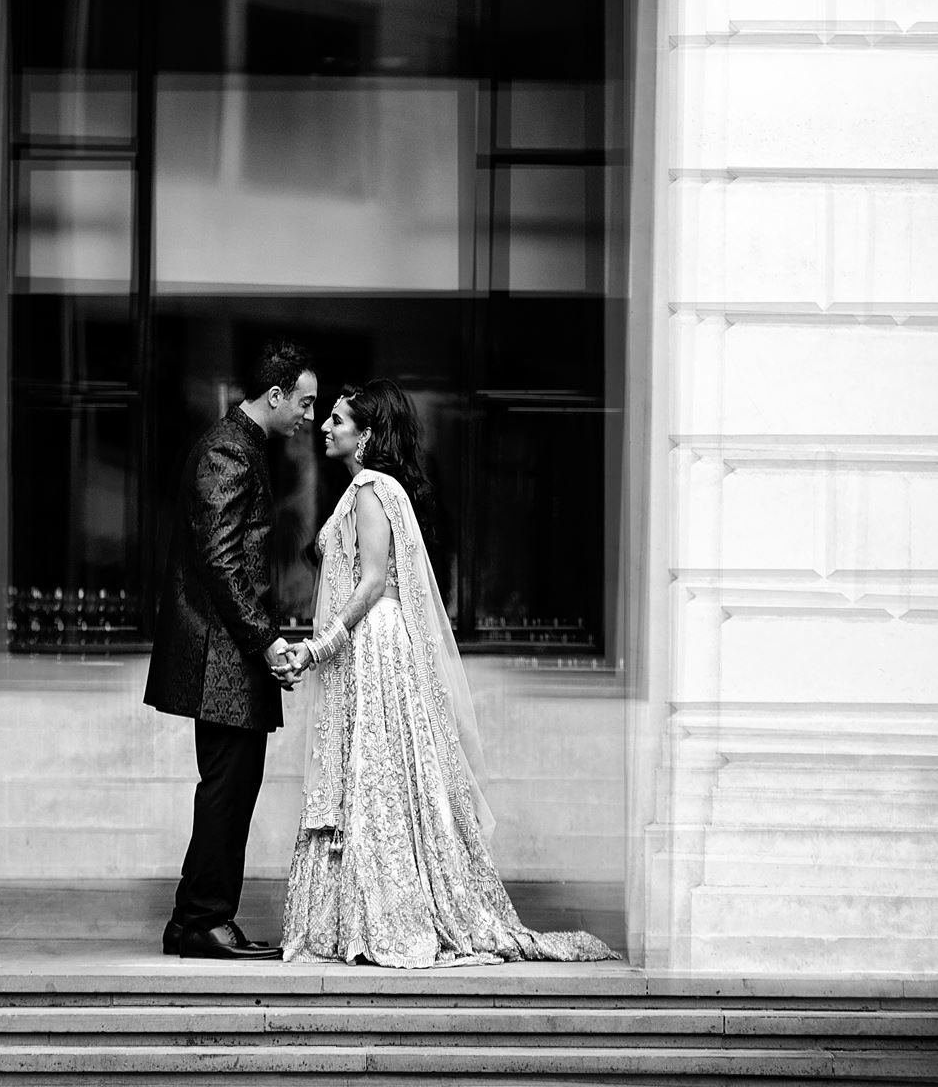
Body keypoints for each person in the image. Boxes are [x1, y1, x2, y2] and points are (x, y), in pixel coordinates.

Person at [281, 379, 620, 968]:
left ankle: (387, 914)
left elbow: (373, 582)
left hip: (374, 641)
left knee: (373, 775)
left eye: (337, 419)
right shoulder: (380, 488)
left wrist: (317, 648)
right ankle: (375, 909)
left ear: (366, 436)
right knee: (382, 777)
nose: (325, 426)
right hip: (380, 642)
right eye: (327, 417)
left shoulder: (367, 487)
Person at [144, 339, 318, 959]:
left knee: (228, 789)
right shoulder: (228, 449)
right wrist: (268, 641)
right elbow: (220, 562)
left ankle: (193, 919)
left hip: (228, 656)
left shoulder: (243, 447)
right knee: (227, 790)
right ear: (274, 396)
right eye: (304, 401)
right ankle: (203, 923)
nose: (310, 415)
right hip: (223, 659)